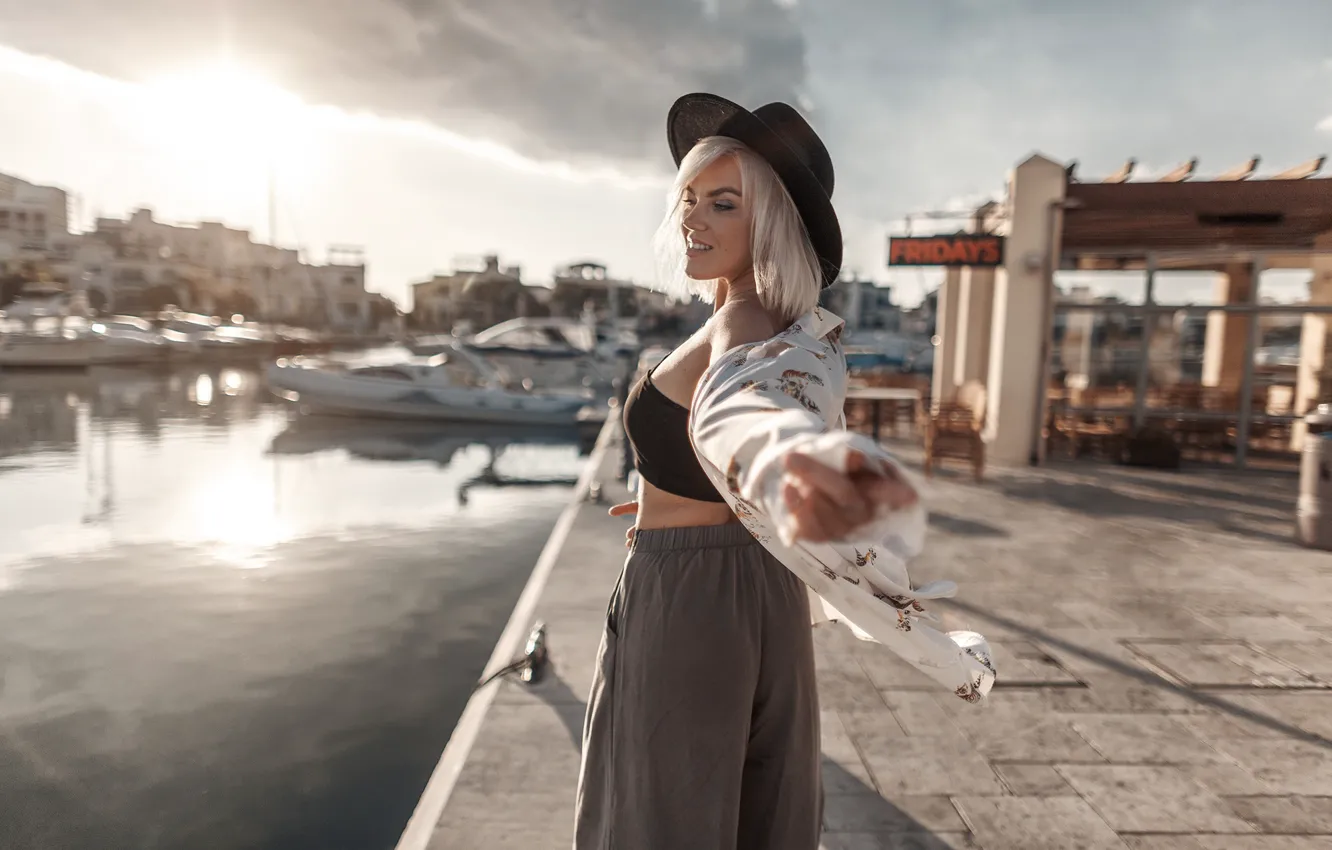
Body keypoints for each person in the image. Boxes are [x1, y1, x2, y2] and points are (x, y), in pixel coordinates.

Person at [573, 93, 995, 850]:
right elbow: (722, 434)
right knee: (737, 802)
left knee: (666, 808)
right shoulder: (762, 317)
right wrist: (668, 496)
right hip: (736, 579)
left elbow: (745, 412)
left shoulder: (746, 325)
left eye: (723, 203)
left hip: (693, 597)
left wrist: (775, 463)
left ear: (768, 222)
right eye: (691, 199)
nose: (693, 219)